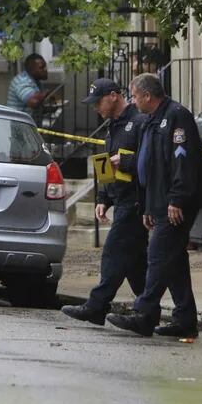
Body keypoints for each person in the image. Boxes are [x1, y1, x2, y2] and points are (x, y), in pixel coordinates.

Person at [106, 73, 202, 338]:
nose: (132, 101)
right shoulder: (151, 121)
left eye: (134, 96)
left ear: (147, 96)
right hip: (158, 200)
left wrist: (177, 199)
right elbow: (150, 165)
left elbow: (182, 161)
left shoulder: (176, 116)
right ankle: (185, 320)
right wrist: (147, 206)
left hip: (175, 202)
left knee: (157, 254)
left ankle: (143, 314)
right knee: (174, 260)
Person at [61, 79, 148, 325]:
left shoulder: (139, 123)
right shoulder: (112, 127)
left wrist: (126, 162)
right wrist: (103, 198)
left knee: (113, 252)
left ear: (113, 96)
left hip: (136, 201)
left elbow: (150, 161)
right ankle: (147, 309)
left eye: (98, 102)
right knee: (134, 262)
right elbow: (107, 165)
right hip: (120, 200)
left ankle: (96, 306)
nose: (95, 107)